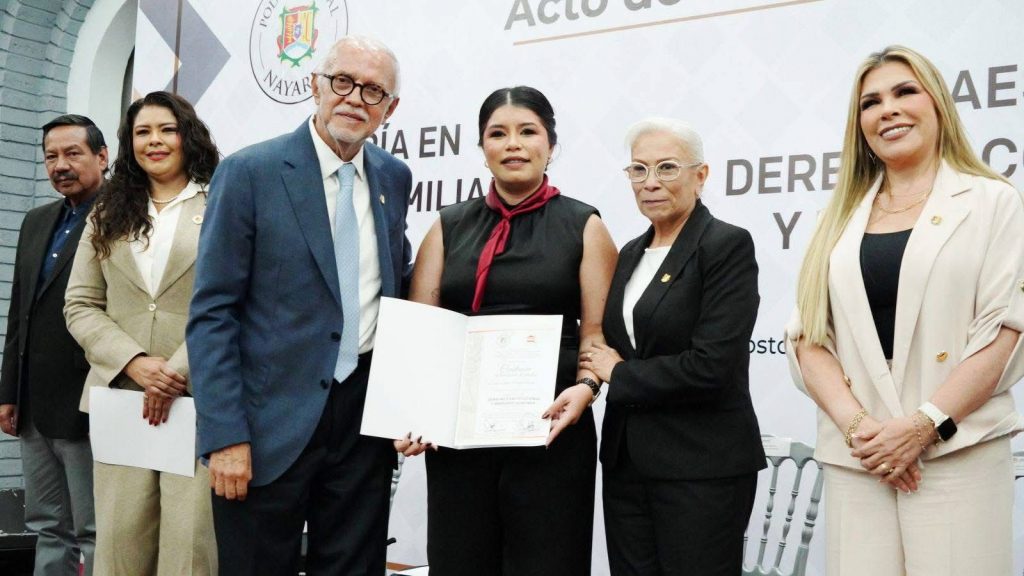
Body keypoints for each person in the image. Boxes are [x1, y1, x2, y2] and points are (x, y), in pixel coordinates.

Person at [786, 45, 1024, 576]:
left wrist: (922, 426)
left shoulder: (993, 201)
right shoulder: (836, 218)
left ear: (937, 103)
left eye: (904, 92)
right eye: (870, 102)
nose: (887, 109)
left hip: (957, 453)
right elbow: (808, 337)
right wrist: (862, 431)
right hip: (861, 461)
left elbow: (1006, 331)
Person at [186, 35, 412, 576]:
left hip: (362, 427)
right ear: (315, 85)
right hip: (266, 427)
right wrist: (225, 435)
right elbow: (213, 313)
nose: (355, 98)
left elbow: (395, 288)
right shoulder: (250, 172)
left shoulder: (394, 177)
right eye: (343, 82)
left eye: (374, 90)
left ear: (390, 109)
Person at [399, 85, 618, 576]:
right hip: (459, 439)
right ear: (482, 148)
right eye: (498, 133)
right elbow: (421, 332)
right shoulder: (448, 225)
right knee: (460, 562)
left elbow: (596, 336)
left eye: (528, 132)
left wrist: (586, 388)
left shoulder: (585, 225)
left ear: (551, 145)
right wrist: (415, 412)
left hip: (553, 432)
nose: (513, 144)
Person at [578, 117, 766, 575]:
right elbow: (612, 347)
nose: (650, 182)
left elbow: (712, 365)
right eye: (638, 170)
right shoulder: (629, 253)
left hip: (701, 466)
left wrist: (618, 373)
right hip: (627, 464)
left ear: (700, 176)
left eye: (667, 167)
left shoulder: (725, 245)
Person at [64, 91, 219, 575]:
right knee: (120, 545)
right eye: (142, 132)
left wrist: (173, 372)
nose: (154, 140)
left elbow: (237, 302)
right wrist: (134, 362)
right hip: (122, 399)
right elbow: (80, 304)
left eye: (167, 129)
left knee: (188, 546)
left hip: (197, 396)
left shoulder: (222, 202)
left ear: (188, 136)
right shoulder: (107, 211)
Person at [0, 115, 104, 576]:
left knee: (94, 528)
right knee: (46, 524)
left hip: (89, 402)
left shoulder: (124, 216)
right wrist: (8, 392)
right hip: (33, 405)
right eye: (51, 157)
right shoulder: (36, 221)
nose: (60, 165)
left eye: (73, 154)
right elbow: (19, 312)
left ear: (102, 156)